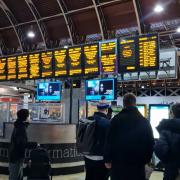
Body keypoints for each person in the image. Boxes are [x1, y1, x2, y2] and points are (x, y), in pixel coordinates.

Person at [104, 93, 154, 180]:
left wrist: (107, 159)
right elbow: (150, 143)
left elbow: (109, 140)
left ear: (124, 104)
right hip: (138, 164)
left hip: (118, 164)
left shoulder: (115, 120)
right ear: (135, 103)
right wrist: (146, 160)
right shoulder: (144, 121)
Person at [84, 102, 110, 180]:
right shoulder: (107, 123)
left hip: (87, 155)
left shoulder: (87, 120)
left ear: (97, 109)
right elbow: (109, 142)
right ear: (106, 110)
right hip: (101, 158)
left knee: (89, 176)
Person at [154, 103, 180, 180]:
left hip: (172, 171)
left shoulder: (166, 129)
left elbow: (160, 149)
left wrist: (169, 162)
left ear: (172, 113)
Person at [9, 109, 30, 180]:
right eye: (28, 115)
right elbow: (21, 143)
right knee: (15, 176)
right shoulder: (21, 128)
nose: (29, 117)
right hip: (16, 157)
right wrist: (33, 145)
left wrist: (25, 125)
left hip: (15, 155)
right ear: (25, 117)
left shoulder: (19, 125)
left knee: (18, 175)